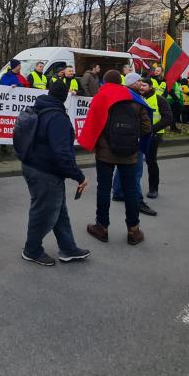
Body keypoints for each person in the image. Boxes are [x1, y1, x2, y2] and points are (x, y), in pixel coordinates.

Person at [20, 79, 91, 266]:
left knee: (59, 211)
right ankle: (32, 249)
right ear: (65, 96)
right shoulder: (57, 117)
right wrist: (79, 176)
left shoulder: (40, 107)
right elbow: (62, 153)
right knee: (43, 213)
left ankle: (68, 248)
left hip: (33, 165)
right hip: (45, 172)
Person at [78, 69, 151, 246]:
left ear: (105, 81)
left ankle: (102, 228)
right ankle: (133, 230)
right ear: (121, 81)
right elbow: (147, 128)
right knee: (131, 191)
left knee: (104, 189)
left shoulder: (101, 97)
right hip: (130, 154)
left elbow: (93, 123)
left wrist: (95, 143)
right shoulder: (134, 98)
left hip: (105, 154)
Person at [110, 73, 158, 216]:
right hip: (135, 139)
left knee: (122, 166)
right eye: (139, 81)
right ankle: (138, 201)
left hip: (124, 137)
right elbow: (144, 123)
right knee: (136, 171)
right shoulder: (134, 98)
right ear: (133, 83)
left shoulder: (124, 95)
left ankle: (118, 192)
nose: (141, 84)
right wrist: (146, 133)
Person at [139, 78, 173, 199]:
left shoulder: (159, 99)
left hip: (153, 135)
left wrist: (151, 129)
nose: (141, 87)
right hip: (137, 134)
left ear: (151, 87)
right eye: (140, 85)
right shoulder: (137, 97)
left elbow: (168, 118)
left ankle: (153, 188)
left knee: (150, 161)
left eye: (144, 85)